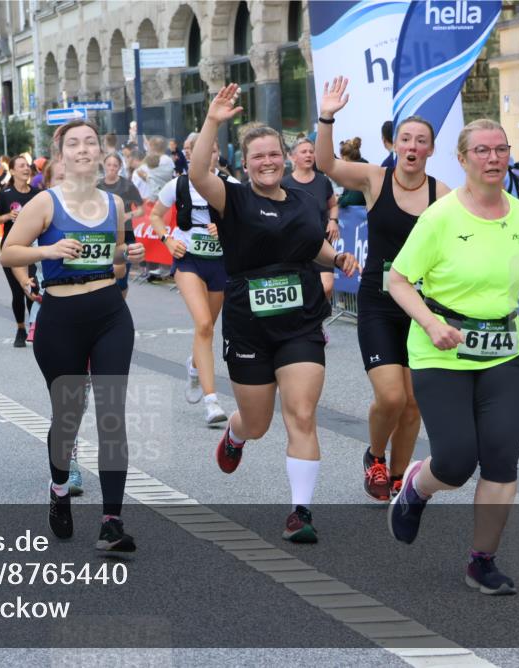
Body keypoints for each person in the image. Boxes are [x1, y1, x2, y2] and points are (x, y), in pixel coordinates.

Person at [387, 119, 519, 595]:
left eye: (501, 149)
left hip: (506, 349)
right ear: (462, 159)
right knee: (456, 463)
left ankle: (482, 561)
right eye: (481, 150)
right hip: (443, 350)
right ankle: (417, 487)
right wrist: (431, 324)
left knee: (501, 456)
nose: (493, 158)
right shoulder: (440, 217)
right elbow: (398, 280)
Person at [189, 84, 359, 543]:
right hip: (249, 326)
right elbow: (198, 174)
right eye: (257, 156)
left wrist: (336, 258)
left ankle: (300, 512)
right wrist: (213, 121)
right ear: (245, 165)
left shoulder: (304, 201)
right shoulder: (233, 199)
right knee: (258, 422)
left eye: (273, 154)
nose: (267, 162)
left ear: (284, 159)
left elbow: (312, 245)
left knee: (301, 414)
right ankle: (236, 435)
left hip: (300, 322)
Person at [1, 118, 145, 552]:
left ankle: (111, 522)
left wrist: (129, 253)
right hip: (60, 317)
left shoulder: (114, 204)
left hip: (109, 314)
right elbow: (8, 253)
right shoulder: (45, 203)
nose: (83, 149)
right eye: (74, 144)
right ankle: (59, 488)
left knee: (111, 412)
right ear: (61, 155)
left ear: (100, 152)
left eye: (90, 143)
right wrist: (48, 249)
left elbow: (114, 260)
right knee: (68, 414)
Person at [316, 78, 452, 501]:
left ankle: (397, 478)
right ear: (394, 145)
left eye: (421, 141)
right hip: (378, 301)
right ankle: (375, 456)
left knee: (413, 404)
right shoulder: (376, 179)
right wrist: (326, 117)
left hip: (421, 308)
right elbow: (326, 164)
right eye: (406, 139)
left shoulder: (442, 195)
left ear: (430, 150)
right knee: (391, 396)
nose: (412, 146)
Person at [152, 133, 236, 427]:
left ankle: (194, 366)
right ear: (190, 154)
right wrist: (167, 240)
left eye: (212, 151)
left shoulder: (230, 185)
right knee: (203, 324)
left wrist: (225, 228)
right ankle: (212, 402)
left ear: (217, 155)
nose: (206, 156)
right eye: (201, 150)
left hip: (220, 263)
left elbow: (246, 223)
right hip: (188, 259)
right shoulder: (178, 185)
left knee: (207, 327)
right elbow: (156, 216)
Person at [0, 156, 40, 346]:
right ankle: (21, 329)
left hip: (33, 248)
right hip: (11, 249)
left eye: (27, 166)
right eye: (21, 166)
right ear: (12, 171)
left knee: (32, 287)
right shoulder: (6, 194)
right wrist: (6, 216)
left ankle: (34, 327)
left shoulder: (37, 194)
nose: (26, 169)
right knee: (18, 292)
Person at [284, 137, 340, 301]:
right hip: (295, 246)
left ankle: (319, 314)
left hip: (321, 243)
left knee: (327, 286)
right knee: (302, 291)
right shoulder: (284, 183)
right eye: (304, 152)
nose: (308, 155)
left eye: (311, 151)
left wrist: (333, 220)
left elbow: (333, 205)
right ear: (293, 157)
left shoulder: (323, 181)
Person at [97, 152, 144, 298]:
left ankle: (120, 305)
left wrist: (126, 216)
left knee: (121, 279)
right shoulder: (97, 186)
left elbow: (141, 209)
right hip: (104, 236)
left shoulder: (127, 185)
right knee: (103, 278)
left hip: (126, 236)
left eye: (115, 165)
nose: (111, 168)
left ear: (119, 167)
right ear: (104, 166)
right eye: (109, 165)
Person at [137, 136, 176, 200]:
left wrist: (145, 176)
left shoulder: (164, 160)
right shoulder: (152, 159)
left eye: (149, 145)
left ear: (152, 146)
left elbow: (159, 179)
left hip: (160, 198)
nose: (147, 148)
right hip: (152, 197)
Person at [336, 138, 368, 207]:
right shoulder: (362, 168)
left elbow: (353, 200)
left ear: (345, 158)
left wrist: (338, 200)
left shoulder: (359, 173)